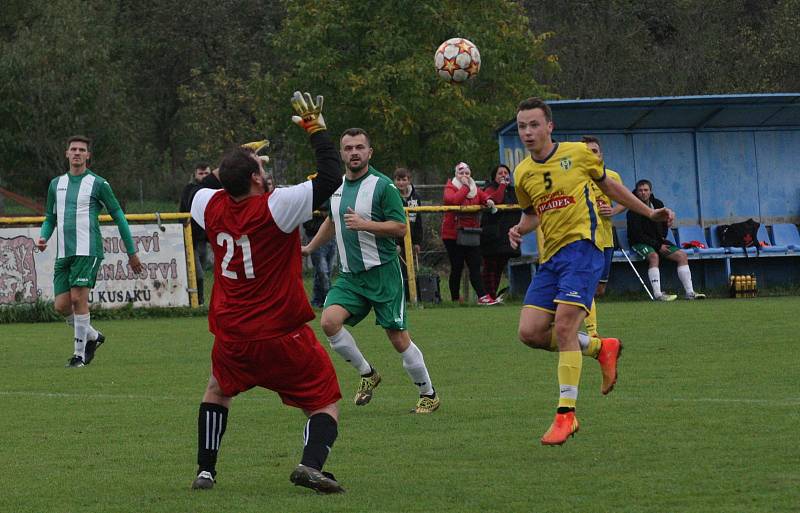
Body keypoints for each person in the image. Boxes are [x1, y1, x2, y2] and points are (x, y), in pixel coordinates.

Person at [188, 91, 347, 494]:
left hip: (232, 335)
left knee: (217, 391)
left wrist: (234, 162)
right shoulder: (276, 207)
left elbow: (199, 189)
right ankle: (311, 465)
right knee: (324, 398)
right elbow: (330, 177)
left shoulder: (208, 204)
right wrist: (316, 130)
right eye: (259, 166)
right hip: (280, 331)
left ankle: (206, 471)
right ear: (257, 178)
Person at [508, 97, 674, 446]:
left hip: (584, 249)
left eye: (534, 124)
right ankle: (601, 348)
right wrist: (519, 229)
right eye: (522, 126)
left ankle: (565, 416)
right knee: (530, 333)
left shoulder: (579, 154)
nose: (527, 132)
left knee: (566, 326)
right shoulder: (522, 173)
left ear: (549, 126)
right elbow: (533, 212)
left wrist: (647, 212)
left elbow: (609, 186)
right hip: (551, 258)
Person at [302, 128, 440, 414]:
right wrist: (309, 248)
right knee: (328, 322)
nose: (354, 152)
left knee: (398, 338)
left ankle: (428, 393)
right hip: (351, 277)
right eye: (348, 148)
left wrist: (366, 224)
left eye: (359, 147)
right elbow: (332, 220)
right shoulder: (337, 187)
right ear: (341, 154)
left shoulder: (383, 186)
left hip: (382, 274)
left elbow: (401, 228)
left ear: (369, 152)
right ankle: (368, 374)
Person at [37, 135, 144, 368]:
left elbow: (118, 216)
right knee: (61, 306)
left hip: (88, 250)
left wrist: (131, 252)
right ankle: (93, 337)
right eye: (73, 149)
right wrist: (44, 236)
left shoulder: (99, 184)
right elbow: (50, 217)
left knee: (78, 299)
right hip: (64, 252)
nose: (77, 153)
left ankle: (78, 356)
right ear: (66, 153)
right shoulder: (56, 184)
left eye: (81, 150)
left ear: (88, 155)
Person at [627, 179, 706, 301]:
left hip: (658, 241)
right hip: (639, 243)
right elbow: (637, 235)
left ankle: (690, 293)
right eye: (640, 190)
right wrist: (658, 246)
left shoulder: (658, 204)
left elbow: (664, 224)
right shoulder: (633, 209)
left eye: (646, 190)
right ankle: (658, 294)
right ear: (636, 192)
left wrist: (661, 239)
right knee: (654, 256)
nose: (643, 193)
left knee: (682, 255)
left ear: (650, 191)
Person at [582, 136, 626, 336]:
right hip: (585, 239)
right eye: (587, 151)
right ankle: (591, 331)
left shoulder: (612, 176)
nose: (592, 154)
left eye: (595, 151)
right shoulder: (577, 177)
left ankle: (569, 313)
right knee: (587, 286)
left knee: (599, 289)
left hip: (606, 237)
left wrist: (613, 210)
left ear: (601, 154)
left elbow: (625, 200)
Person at [441, 161, 498, 305]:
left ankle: (482, 297)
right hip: (453, 235)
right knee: (457, 267)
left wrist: (488, 200)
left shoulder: (475, 188)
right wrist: (465, 187)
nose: (464, 176)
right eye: (461, 173)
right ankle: (455, 299)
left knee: (475, 265)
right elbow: (454, 201)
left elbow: (482, 195)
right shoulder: (450, 187)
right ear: (456, 174)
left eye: (467, 173)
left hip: (471, 234)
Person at [479, 164, 520, 303]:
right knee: (490, 267)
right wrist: (502, 186)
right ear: (494, 177)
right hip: (492, 235)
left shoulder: (513, 191)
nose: (503, 175)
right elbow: (496, 199)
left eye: (506, 173)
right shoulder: (489, 189)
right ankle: (487, 296)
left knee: (499, 268)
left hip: (506, 236)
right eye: (500, 173)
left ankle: (493, 295)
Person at [179, 162, 212, 304]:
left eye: (206, 173)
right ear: (195, 174)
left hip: (204, 239)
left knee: (201, 273)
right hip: (190, 237)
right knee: (197, 274)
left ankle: (196, 300)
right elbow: (182, 211)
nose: (204, 176)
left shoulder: (215, 190)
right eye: (201, 173)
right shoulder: (190, 189)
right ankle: (198, 301)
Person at [393, 167, 423, 298]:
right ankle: (399, 297)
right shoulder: (392, 195)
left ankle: (411, 297)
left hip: (410, 239)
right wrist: (394, 242)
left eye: (404, 179)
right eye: (398, 180)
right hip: (396, 240)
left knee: (410, 271)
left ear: (409, 180)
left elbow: (419, 220)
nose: (401, 183)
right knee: (397, 270)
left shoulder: (416, 197)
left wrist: (417, 242)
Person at [302, 198, 337, 308]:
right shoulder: (309, 200)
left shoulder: (332, 198)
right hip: (314, 239)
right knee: (323, 272)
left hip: (331, 239)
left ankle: (317, 301)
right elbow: (307, 223)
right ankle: (330, 300)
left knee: (324, 272)